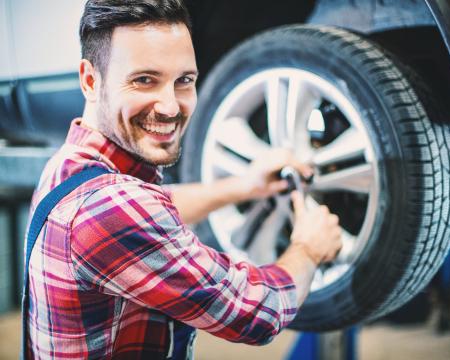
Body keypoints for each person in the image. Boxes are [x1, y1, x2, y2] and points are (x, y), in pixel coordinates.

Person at [24, 0, 342, 358]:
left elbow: (156, 205)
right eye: (145, 80)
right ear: (90, 80)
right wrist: (307, 248)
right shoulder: (108, 212)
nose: (171, 106)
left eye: (184, 81)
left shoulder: (69, 167)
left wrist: (243, 186)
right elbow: (256, 314)